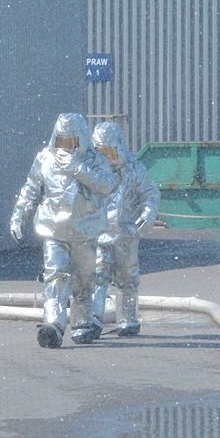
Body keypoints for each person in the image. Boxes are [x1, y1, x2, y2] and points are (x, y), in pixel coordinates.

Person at [10, 113, 116, 347]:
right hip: (54, 230)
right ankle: (54, 326)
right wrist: (18, 217)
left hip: (85, 232)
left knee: (83, 281)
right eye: (62, 140)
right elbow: (30, 188)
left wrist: (78, 168)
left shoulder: (95, 161)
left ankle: (81, 324)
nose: (66, 147)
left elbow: (107, 185)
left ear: (81, 139)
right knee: (55, 276)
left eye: (71, 141)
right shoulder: (45, 159)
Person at [90, 121, 160, 336]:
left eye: (109, 150)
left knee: (127, 278)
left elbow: (149, 194)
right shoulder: (89, 170)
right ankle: (92, 319)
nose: (106, 156)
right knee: (97, 275)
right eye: (100, 150)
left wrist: (147, 215)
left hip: (126, 233)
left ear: (118, 146)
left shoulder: (133, 169)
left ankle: (128, 320)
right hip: (98, 234)